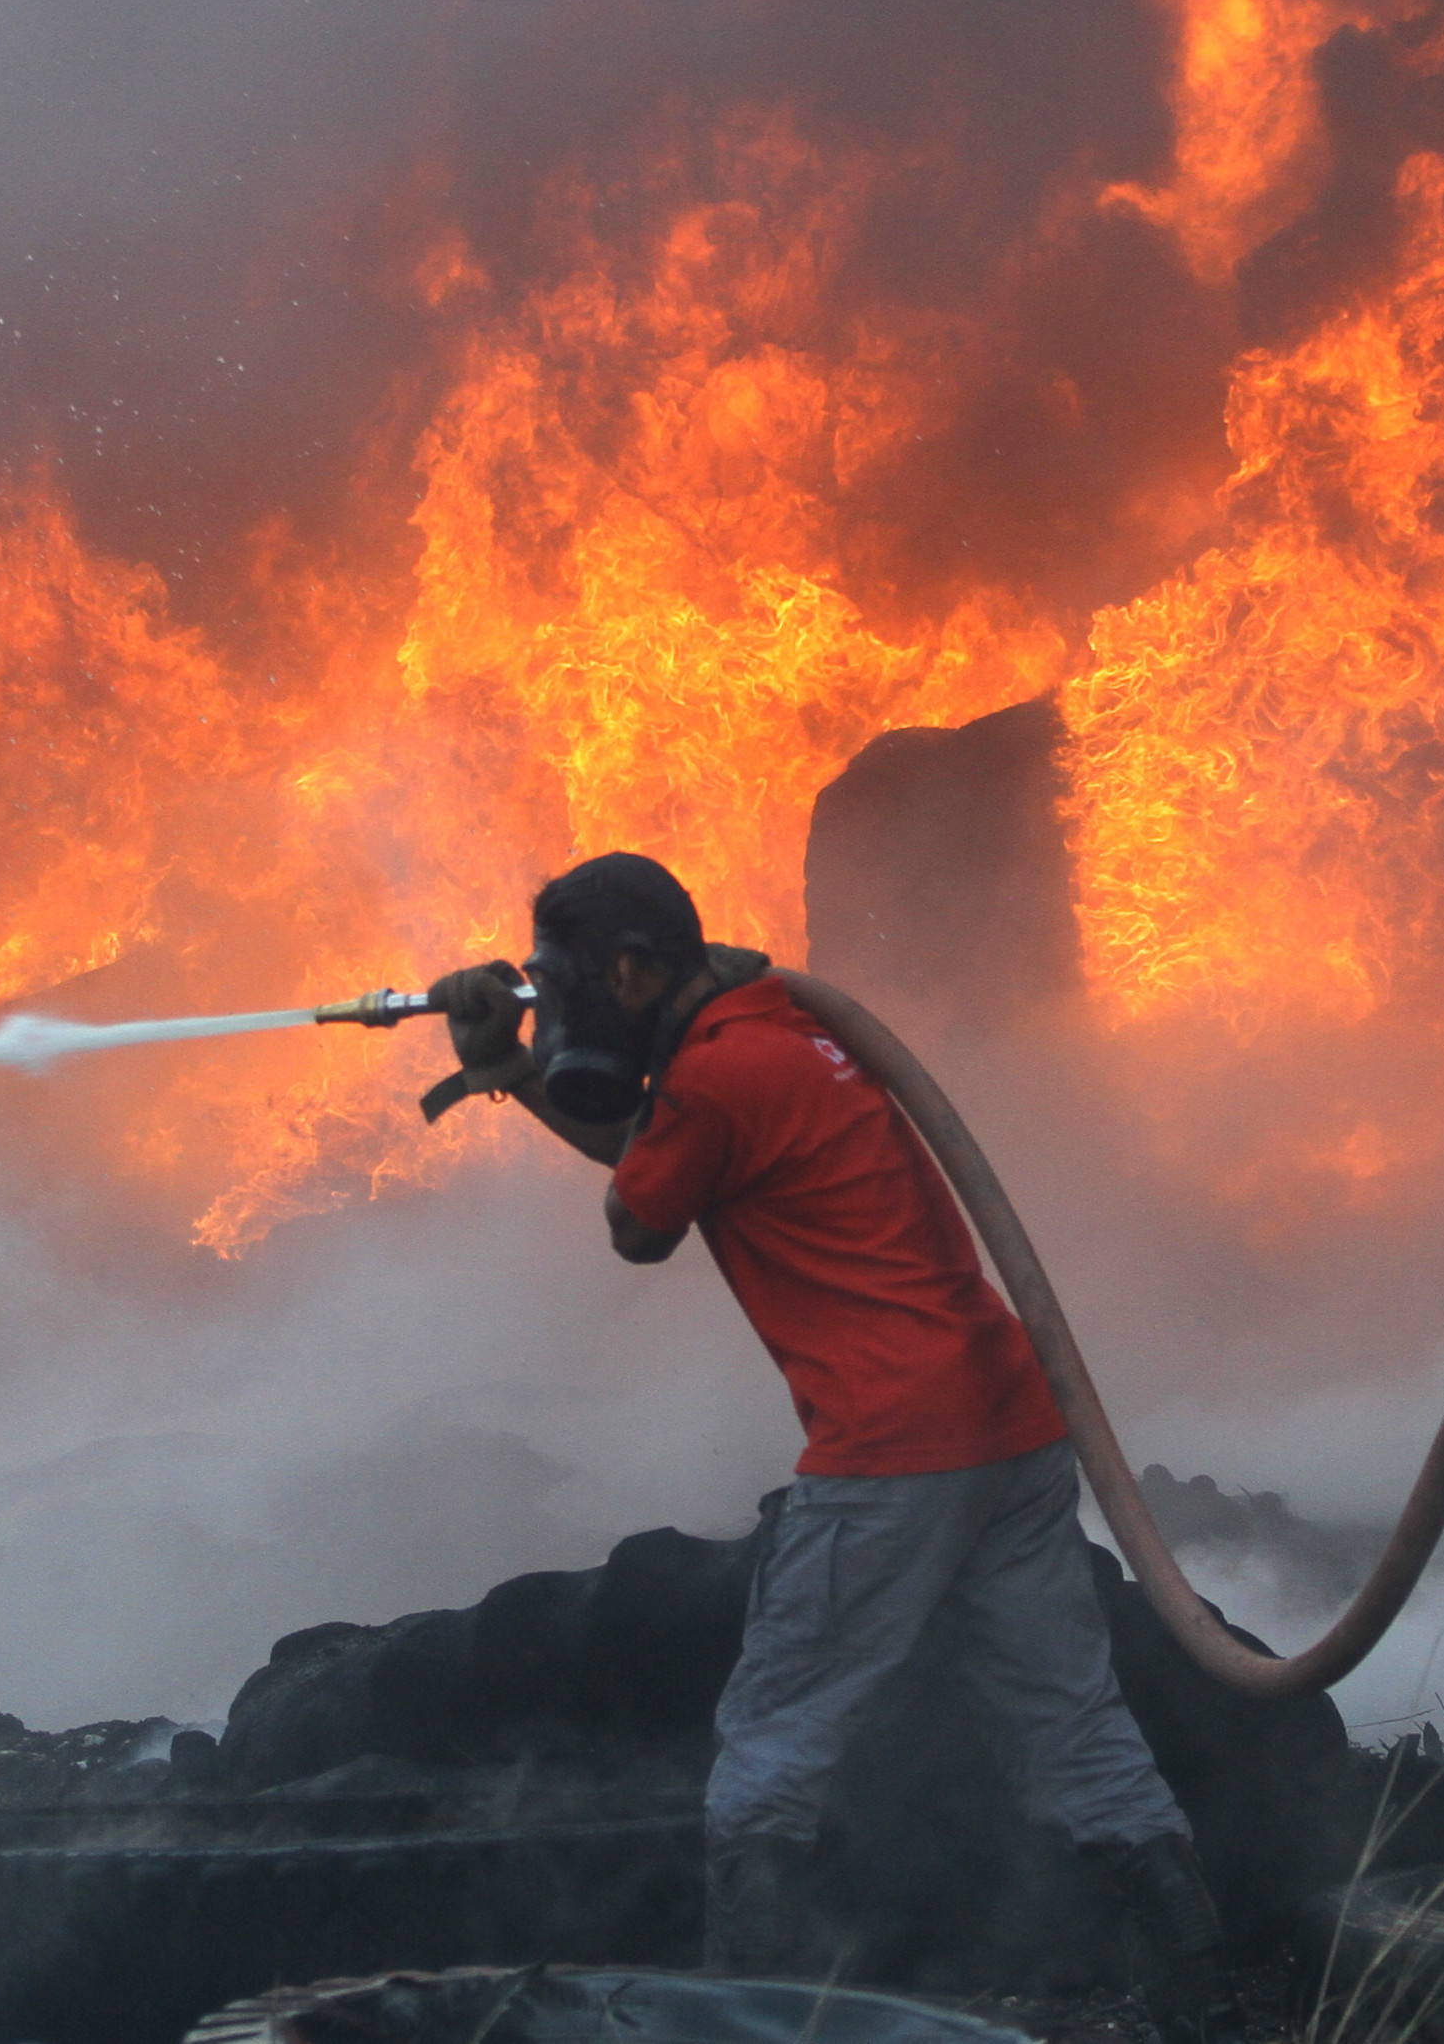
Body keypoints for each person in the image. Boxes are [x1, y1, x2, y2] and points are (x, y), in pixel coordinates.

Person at [426, 851, 1217, 2033]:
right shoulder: (774, 1030)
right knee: (1072, 1724)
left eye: (576, 982)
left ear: (633, 972)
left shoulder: (716, 1074)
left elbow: (638, 1218)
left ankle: (742, 2018)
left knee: (771, 1746)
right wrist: (524, 1072)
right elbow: (663, 1151)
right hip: (1008, 1423)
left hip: (894, 1444)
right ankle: (1201, 2007)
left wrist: (519, 1070)